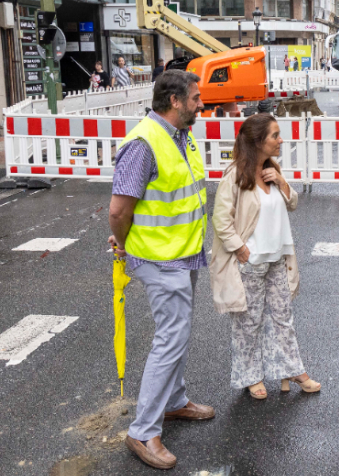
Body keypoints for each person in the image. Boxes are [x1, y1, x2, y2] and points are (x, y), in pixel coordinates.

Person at [108, 70, 214, 470]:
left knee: (179, 332)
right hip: (159, 257)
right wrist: (122, 241)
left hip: (183, 254)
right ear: (175, 101)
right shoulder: (143, 145)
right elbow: (119, 210)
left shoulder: (181, 137)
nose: (201, 104)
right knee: (170, 338)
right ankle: (143, 430)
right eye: (196, 98)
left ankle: (173, 402)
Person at [210, 114, 320, 401]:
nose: (280, 140)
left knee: (284, 318)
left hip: (278, 259)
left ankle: (292, 370)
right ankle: (251, 376)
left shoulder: (272, 169)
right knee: (249, 322)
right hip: (251, 261)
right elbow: (221, 220)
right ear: (258, 141)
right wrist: (240, 248)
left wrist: (282, 183)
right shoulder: (235, 175)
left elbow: (292, 204)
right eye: (275, 135)